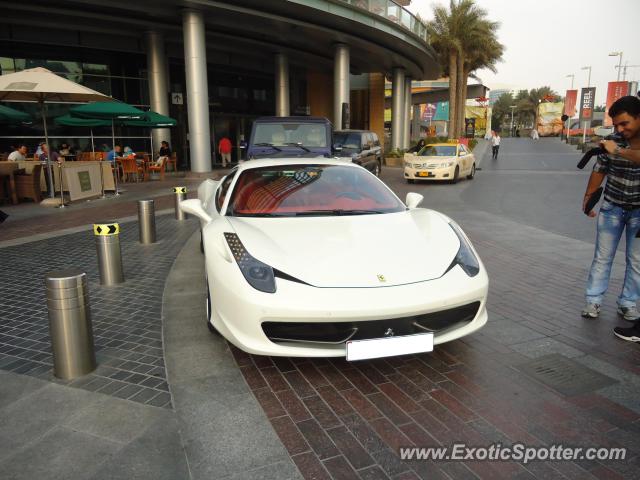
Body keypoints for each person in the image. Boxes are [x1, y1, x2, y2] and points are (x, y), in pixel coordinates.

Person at [581, 96, 640, 343]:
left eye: (625, 123)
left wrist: (619, 151)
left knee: (636, 261)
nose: (620, 129)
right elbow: (599, 170)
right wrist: (588, 198)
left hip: (639, 212)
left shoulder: (618, 145)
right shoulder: (613, 141)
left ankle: (628, 303)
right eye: (616, 125)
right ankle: (593, 301)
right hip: (612, 207)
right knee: (602, 257)